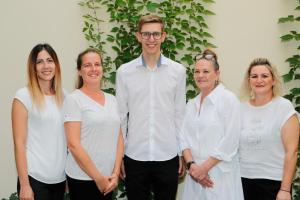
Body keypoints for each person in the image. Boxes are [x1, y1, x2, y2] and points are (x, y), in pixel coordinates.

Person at [116, 14, 186, 200]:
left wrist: (181, 153)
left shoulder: (178, 71)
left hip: (168, 154)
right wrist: (119, 156)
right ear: (138, 36)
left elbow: (180, 115)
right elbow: (121, 117)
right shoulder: (124, 72)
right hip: (135, 155)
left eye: (156, 34)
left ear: (164, 36)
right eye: (146, 34)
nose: (151, 39)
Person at [179, 49, 244, 200]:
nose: (200, 76)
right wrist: (192, 166)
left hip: (219, 176)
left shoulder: (228, 100)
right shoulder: (191, 104)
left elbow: (230, 140)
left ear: (217, 73)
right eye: (197, 71)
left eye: (206, 71)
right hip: (194, 176)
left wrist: (204, 169)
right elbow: (183, 138)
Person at [63, 48, 124, 200]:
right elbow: (73, 144)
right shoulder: (74, 99)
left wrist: (116, 173)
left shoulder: (112, 100)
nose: (93, 69)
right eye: (87, 65)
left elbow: (119, 137)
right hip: (83, 179)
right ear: (79, 71)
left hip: (109, 178)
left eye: (97, 64)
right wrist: (98, 178)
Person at [12, 43, 67, 200]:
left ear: (56, 64)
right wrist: (24, 185)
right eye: (39, 62)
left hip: (59, 179)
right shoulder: (23, 96)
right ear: (33, 67)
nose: (46, 66)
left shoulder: (64, 96)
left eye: (49, 60)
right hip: (34, 178)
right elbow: (19, 143)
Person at [239, 58, 299, 200]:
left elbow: (292, 151)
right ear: (249, 81)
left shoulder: (284, 107)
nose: (259, 80)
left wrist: (285, 189)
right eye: (254, 76)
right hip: (243, 180)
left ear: (273, 80)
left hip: (274, 182)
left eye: (265, 76)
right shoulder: (240, 108)